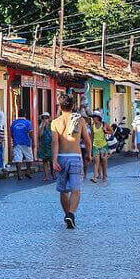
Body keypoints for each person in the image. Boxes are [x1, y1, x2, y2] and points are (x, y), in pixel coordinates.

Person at [51, 94, 91, 229]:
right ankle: (71, 214)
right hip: (75, 157)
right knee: (76, 189)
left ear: (60, 106)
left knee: (63, 190)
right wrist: (89, 154)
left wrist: (54, 159)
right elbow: (87, 140)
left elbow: (55, 142)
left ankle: (67, 214)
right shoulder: (80, 120)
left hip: (61, 158)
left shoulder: (55, 122)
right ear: (73, 106)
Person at [10, 113, 34, 180]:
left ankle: (19, 174)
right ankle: (28, 171)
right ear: (25, 115)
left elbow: (11, 133)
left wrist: (14, 139)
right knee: (29, 158)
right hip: (26, 142)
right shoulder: (27, 122)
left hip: (17, 143)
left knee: (18, 159)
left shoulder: (14, 123)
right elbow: (30, 132)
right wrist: (33, 140)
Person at [90, 113, 111, 182]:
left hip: (103, 146)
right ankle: (95, 177)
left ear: (98, 118)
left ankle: (104, 176)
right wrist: (91, 147)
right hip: (95, 146)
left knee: (104, 161)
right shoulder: (92, 126)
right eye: (92, 118)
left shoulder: (104, 125)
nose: (93, 119)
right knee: (96, 162)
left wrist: (106, 131)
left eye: (94, 117)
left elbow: (111, 131)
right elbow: (92, 137)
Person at [37, 112, 54, 181]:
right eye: (43, 118)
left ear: (49, 118)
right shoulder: (41, 126)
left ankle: (53, 173)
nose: (45, 119)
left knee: (52, 161)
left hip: (51, 145)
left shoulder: (52, 126)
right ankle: (46, 176)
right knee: (45, 161)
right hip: (44, 145)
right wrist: (43, 126)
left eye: (46, 118)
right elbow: (39, 135)